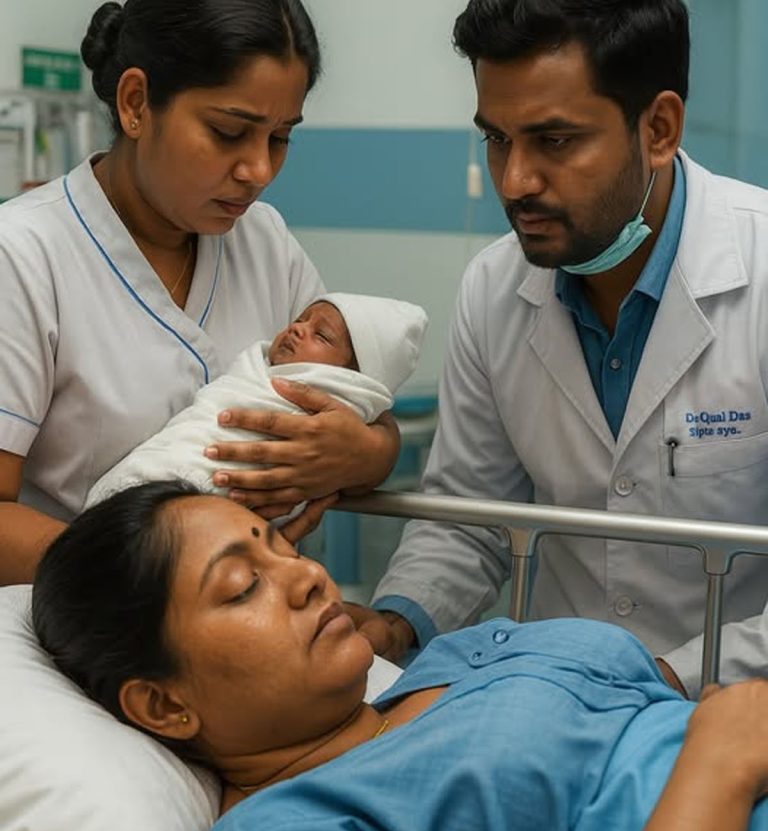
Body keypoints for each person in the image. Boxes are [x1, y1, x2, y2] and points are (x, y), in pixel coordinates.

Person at [32, 482, 768, 831]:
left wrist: (717, 730)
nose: (307, 575)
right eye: (242, 586)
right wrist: (718, 767)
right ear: (164, 704)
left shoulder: (458, 656)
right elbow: (712, 747)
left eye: (282, 546)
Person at [355, 0, 768, 698]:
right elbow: (470, 521)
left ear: (658, 129)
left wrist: (661, 678)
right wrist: (393, 626)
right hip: (557, 706)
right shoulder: (493, 288)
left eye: (554, 140)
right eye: (496, 139)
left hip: (732, 709)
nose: (514, 181)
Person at [0, 0, 399, 587]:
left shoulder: (264, 241)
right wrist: (161, 579)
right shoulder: (23, 254)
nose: (258, 170)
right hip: (82, 614)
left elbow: (362, 408)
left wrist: (367, 455)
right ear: (136, 104)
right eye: (228, 132)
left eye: (280, 138)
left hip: (253, 607)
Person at [85, 293, 428, 505]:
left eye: (320, 335)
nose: (297, 328)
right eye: (299, 320)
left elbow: (369, 419)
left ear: (354, 377)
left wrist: (370, 452)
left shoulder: (271, 241)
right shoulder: (255, 370)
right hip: (133, 497)